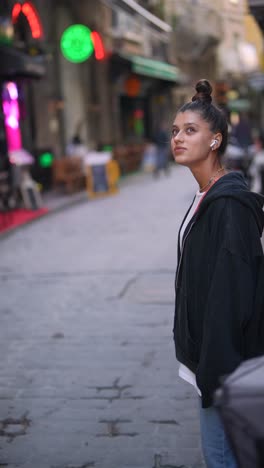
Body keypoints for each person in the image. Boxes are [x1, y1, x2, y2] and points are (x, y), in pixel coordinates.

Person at [171, 79, 264, 468]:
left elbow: (231, 296)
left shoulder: (228, 205)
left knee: (221, 458)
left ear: (215, 140)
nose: (178, 138)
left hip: (221, 370)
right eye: (175, 131)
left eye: (190, 130)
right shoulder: (207, 196)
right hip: (208, 364)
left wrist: (215, 377)